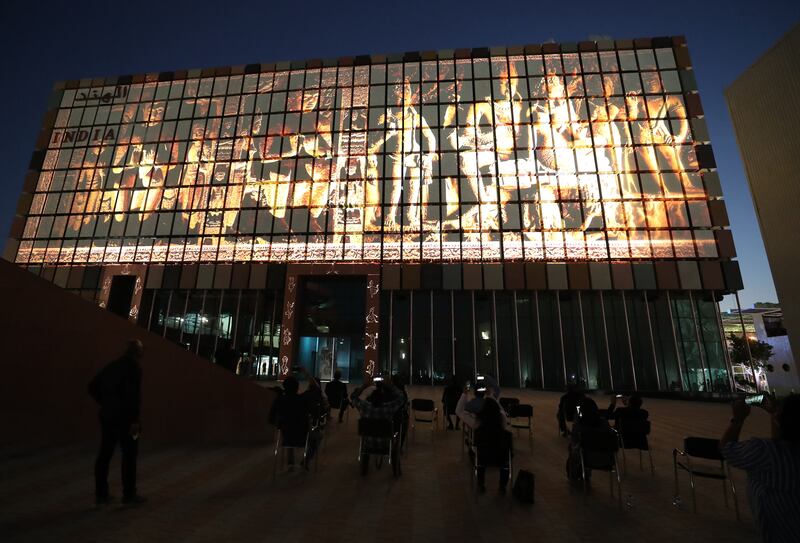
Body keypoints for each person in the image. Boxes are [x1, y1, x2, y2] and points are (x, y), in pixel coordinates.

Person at [720, 395, 800, 543]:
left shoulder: (763, 451)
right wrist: (775, 415)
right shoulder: (779, 453)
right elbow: (781, 443)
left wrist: (738, 418)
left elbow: (727, 449)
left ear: (780, 419)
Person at [88, 339, 146, 506]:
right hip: (127, 420)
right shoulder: (134, 368)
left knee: (105, 454)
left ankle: (101, 494)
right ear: (137, 352)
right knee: (130, 455)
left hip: (108, 417)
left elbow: (92, 386)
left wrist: (106, 403)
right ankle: (129, 494)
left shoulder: (113, 366)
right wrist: (135, 420)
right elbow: (133, 397)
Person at [350, 373, 406, 476]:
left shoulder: (365, 407)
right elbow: (402, 397)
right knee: (394, 443)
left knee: (366, 436)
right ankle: (396, 471)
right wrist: (391, 385)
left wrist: (365, 385)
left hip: (368, 443)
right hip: (386, 444)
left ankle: (364, 470)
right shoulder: (388, 408)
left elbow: (353, 397)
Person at [566, 397, 614, 483]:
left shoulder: (580, 425)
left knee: (575, 448)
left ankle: (577, 473)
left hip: (587, 458)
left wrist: (577, 418)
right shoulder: (604, 423)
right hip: (607, 459)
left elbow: (574, 440)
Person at [473, 398, 514, 494]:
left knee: (479, 458)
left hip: (484, 459)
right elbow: (511, 453)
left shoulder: (479, 432)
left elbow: (475, 445)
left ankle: (481, 484)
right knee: (506, 463)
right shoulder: (506, 435)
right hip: (501, 459)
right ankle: (502, 486)